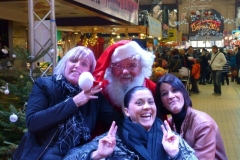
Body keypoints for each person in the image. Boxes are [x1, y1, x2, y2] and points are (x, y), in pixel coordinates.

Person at [13, 46, 120, 159]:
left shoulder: (94, 94)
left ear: (89, 71)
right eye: (73, 60)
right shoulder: (44, 85)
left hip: (75, 154)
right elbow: (33, 123)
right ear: (65, 63)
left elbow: (117, 121)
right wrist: (74, 102)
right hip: (42, 153)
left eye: (84, 64)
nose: (77, 65)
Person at [64, 86, 197, 160]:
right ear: (127, 111)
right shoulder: (113, 141)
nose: (146, 107)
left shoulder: (169, 139)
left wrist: (176, 154)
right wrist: (96, 155)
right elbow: (69, 158)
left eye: (150, 102)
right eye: (139, 103)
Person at [155, 74, 228, 160]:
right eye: (164, 94)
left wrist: (176, 155)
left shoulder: (204, 125)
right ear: (161, 102)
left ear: (183, 93)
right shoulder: (169, 124)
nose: (170, 96)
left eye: (174, 90)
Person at [92, 40, 164, 118]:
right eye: (119, 66)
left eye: (132, 66)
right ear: (111, 69)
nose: (125, 71)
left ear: (141, 67)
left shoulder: (153, 89)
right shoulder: (101, 90)